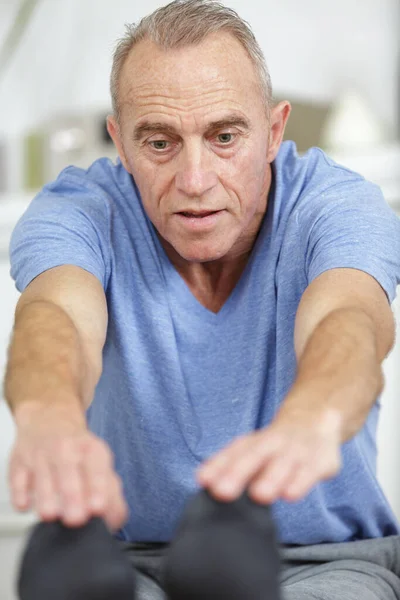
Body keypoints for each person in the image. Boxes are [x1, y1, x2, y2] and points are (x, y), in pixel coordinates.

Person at [4, 0, 400, 598]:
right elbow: (56, 314)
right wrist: (46, 417)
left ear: (272, 131)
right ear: (120, 142)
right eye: (160, 143)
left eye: (224, 137)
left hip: (325, 560)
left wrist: (313, 418)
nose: (194, 179)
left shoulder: (337, 208)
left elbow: (349, 318)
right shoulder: (78, 212)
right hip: (128, 559)